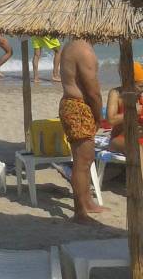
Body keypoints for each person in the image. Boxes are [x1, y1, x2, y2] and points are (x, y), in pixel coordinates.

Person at [58, 38, 106, 223]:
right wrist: (98, 116)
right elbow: (93, 91)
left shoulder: (72, 45)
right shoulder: (83, 50)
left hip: (73, 105)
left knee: (87, 159)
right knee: (82, 161)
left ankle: (87, 203)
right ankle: (80, 211)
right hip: (78, 107)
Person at [106, 62, 143, 154]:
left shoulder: (140, 96)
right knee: (137, 148)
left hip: (139, 137)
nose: (142, 89)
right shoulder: (116, 94)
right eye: (140, 86)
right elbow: (111, 120)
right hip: (120, 138)